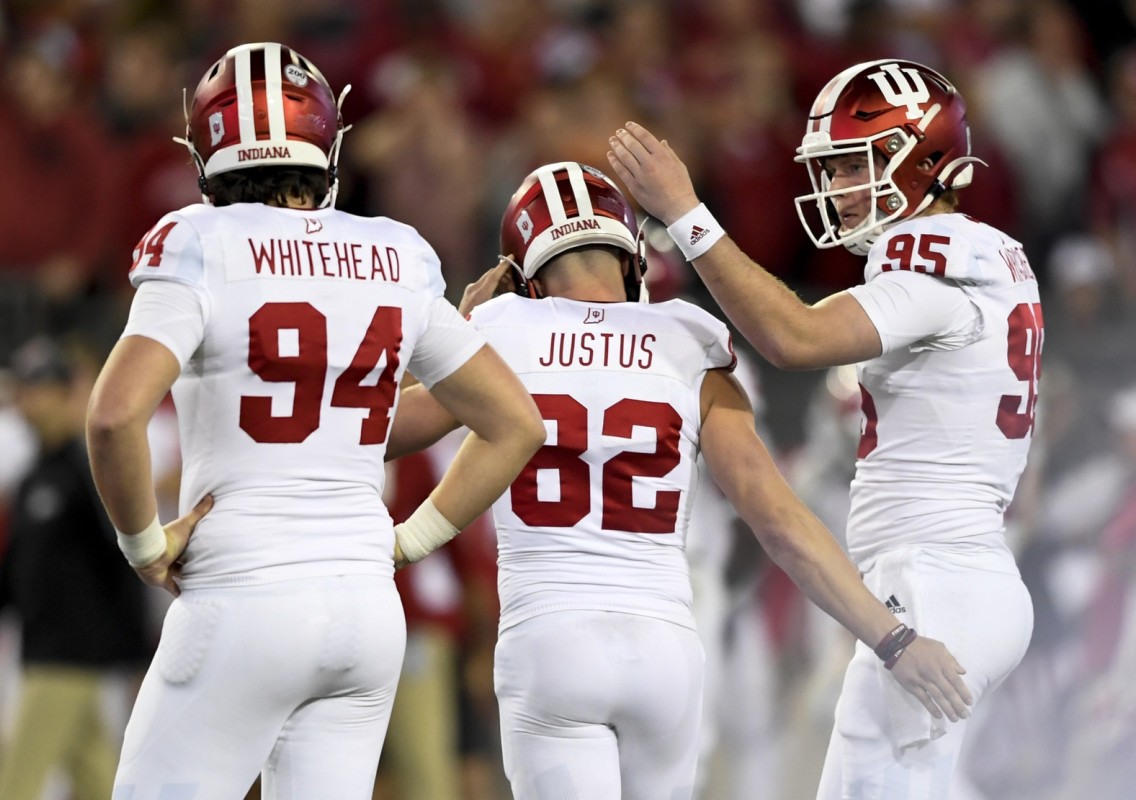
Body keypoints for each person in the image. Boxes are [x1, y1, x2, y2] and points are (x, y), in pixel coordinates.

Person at [388, 160, 973, 800]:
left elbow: (365, 430)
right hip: (663, 645)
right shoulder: (689, 338)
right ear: (635, 258)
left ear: (523, 277)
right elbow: (777, 518)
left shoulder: (498, 334)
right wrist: (892, 638)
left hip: (548, 639)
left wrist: (452, 338)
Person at [84, 42, 544, 799]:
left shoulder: (198, 242)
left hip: (245, 594)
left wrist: (142, 544)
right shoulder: (395, 253)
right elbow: (511, 422)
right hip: (364, 612)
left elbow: (112, 416)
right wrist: (407, 543)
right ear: (326, 144)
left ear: (206, 148)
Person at [608, 58, 1039, 799]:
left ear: (922, 155)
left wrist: (687, 212)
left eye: (852, 166)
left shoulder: (935, 268)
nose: (837, 189)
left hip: (937, 581)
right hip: (952, 576)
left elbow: (794, 339)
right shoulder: (982, 257)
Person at [0, 337, 151, 800]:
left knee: (12, 784)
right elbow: (10, 578)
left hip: (72, 654)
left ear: (67, 393)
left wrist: (139, 654)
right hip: (44, 649)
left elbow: (124, 560)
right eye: (23, 389)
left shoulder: (87, 471)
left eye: (40, 388)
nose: (29, 400)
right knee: (94, 778)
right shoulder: (32, 477)